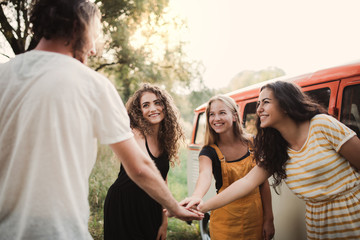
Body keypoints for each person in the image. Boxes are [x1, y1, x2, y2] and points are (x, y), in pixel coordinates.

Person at [0, 1, 202, 240]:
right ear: (77, 26)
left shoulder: (4, 75)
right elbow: (139, 167)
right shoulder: (92, 84)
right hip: (59, 232)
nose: (93, 49)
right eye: (92, 36)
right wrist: (176, 208)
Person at [198, 81, 360, 239]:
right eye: (258, 103)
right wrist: (201, 207)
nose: (259, 109)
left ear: (285, 105)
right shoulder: (276, 148)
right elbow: (246, 182)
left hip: (352, 215)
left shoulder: (321, 125)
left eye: (266, 102)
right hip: (318, 224)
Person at [180, 95, 275, 240]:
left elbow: (262, 183)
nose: (216, 118)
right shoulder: (208, 151)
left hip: (255, 219)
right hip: (225, 223)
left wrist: (269, 219)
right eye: (211, 114)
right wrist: (196, 196)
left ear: (235, 116)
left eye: (222, 113)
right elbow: (204, 174)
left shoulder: (253, 143)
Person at [104, 83, 184, 240]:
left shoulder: (165, 141)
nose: (152, 109)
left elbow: (163, 181)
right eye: (146, 105)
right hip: (124, 204)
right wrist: (175, 207)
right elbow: (143, 168)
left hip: (152, 205)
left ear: (165, 107)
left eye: (157, 103)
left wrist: (164, 221)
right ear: (139, 112)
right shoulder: (135, 133)